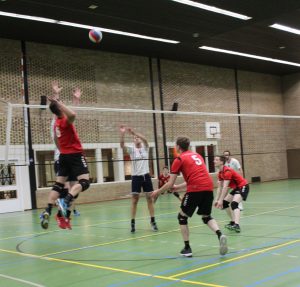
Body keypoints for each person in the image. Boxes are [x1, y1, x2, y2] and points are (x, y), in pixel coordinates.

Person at [152, 137, 228, 257]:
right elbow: (195, 177)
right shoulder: (197, 155)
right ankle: (220, 234)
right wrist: (178, 188)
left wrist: (157, 192)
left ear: (178, 147)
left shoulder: (179, 159)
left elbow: (170, 183)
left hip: (195, 189)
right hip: (208, 187)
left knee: (182, 217)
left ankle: (187, 248)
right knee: (206, 216)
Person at [40, 83, 90, 230]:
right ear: (60, 108)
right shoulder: (62, 122)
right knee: (77, 186)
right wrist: (57, 98)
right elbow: (70, 113)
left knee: (62, 185)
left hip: (62, 156)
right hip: (72, 156)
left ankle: (50, 211)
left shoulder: (55, 123)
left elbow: (61, 110)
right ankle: (64, 208)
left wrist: (69, 99)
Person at [120, 125, 158, 233]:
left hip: (146, 176)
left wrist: (133, 132)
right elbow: (122, 145)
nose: (136, 139)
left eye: (138, 138)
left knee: (149, 199)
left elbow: (145, 139)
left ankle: (153, 221)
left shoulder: (145, 148)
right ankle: (132, 223)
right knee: (134, 200)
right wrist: (123, 134)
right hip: (136, 177)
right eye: (135, 138)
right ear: (133, 141)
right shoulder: (132, 150)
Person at [214, 155, 250, 233]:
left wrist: (220, 200)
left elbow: (225, 187)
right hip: (236, 188)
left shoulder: (227, 171)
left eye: (216, 160)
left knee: (234, 204)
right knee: (225, 203)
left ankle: (237, 225)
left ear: (221, 162)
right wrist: (217, 200)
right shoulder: (220, 173)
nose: (214, 161)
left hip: (243, 186)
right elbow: (219, 187)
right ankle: (233, 222)